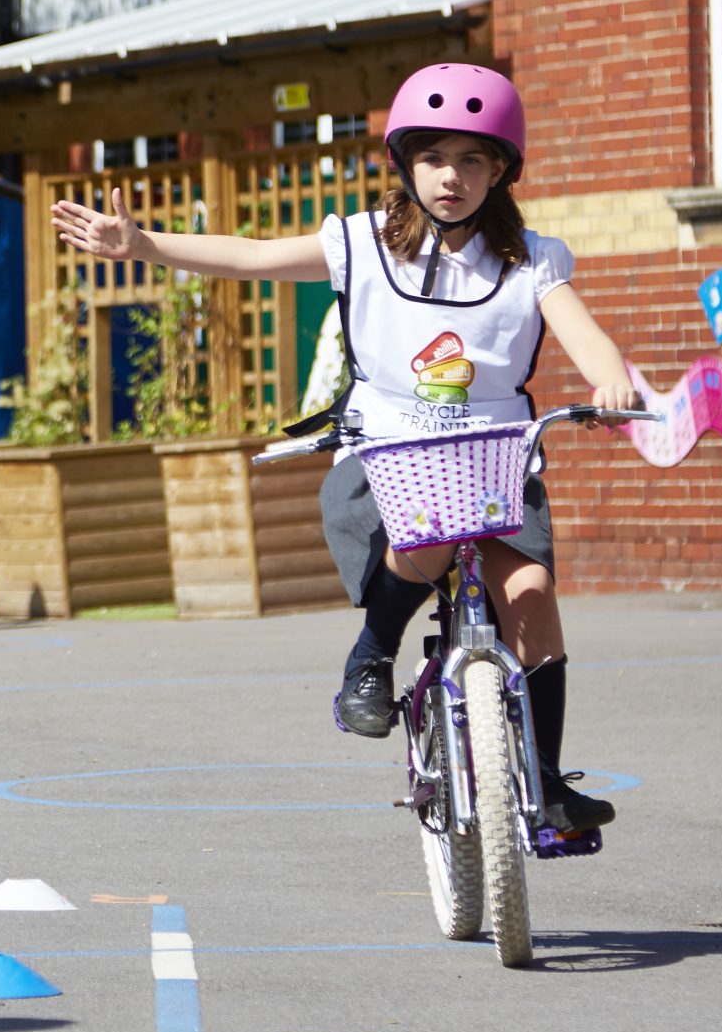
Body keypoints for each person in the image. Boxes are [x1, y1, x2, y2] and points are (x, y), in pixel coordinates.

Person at [50, 62, 638, 835]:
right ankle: (372, 652)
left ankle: (549, 780)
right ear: (404, 164)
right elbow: (253, 255)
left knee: (529, 591)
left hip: (493, 458)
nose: (451, 176)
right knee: (427, 539)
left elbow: (584, 334)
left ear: (500, 170)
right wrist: (143, 243)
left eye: (471, 159)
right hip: (390, 454)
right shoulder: (361, 244)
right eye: (432, 157)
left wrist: (611, 383)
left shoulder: (532, 258)